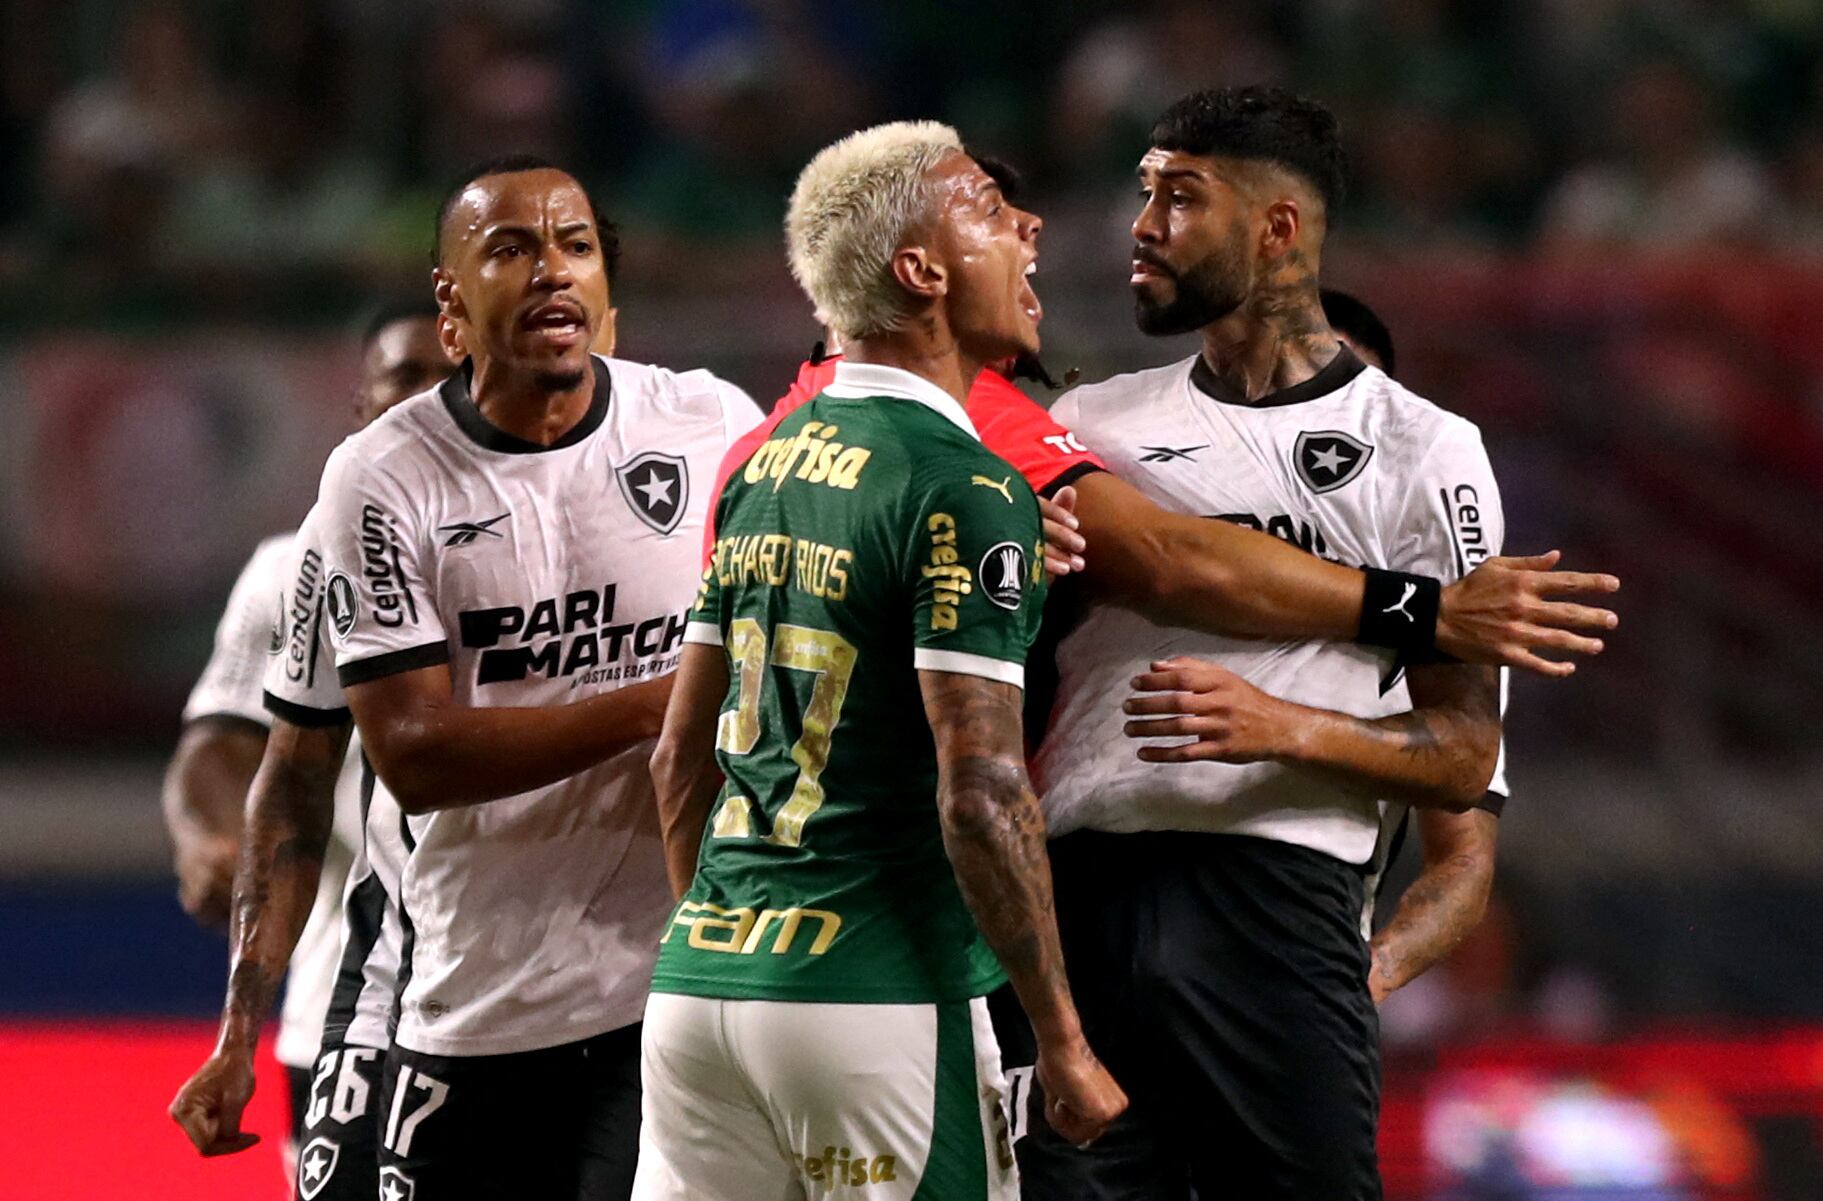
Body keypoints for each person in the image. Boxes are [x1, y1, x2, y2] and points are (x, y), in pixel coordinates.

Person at [174, 154, 762, 1201]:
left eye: (574, 247)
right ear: (453, 310)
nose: (550, 270)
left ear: (607, 302)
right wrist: (239, 1027)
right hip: (456, 987)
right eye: (511, 249)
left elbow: (836, 550)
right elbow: (402, 757)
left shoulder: (708, 424)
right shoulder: (376, 484)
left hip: (664, 985)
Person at [1020, 86, 1536, 1200]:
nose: (1142, 223)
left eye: (1178, 196)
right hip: (1078, 901)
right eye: (1143, 191)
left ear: (1276, 228)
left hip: (1279, 897)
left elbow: (1458, 756)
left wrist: (1280, 728)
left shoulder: (1425, 451)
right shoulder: (1093, 422)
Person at [636, 120, 1126, 1201]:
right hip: (875, 994)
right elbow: (982, 791)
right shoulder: (970, 484)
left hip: (701, 991)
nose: (1026, 227)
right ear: (921, 270)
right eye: (990, 213)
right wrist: (1060, 1037)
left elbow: (679, 758)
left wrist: (731, 946)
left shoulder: (761, 465)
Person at [163, 302, 449, 1179]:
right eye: (406, 379)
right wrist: (209, 834)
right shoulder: (293, 568)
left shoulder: (558, 547)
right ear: (360, 408)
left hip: (544, 991)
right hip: (349, 993)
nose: (432, 401)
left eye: (455, 379)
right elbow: (217, 748)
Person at [1315, 287, 1505, 1005]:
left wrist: (1374, 970)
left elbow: (1462, 856)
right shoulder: (1177, 541)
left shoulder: (1440, 607)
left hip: (1298, 949)